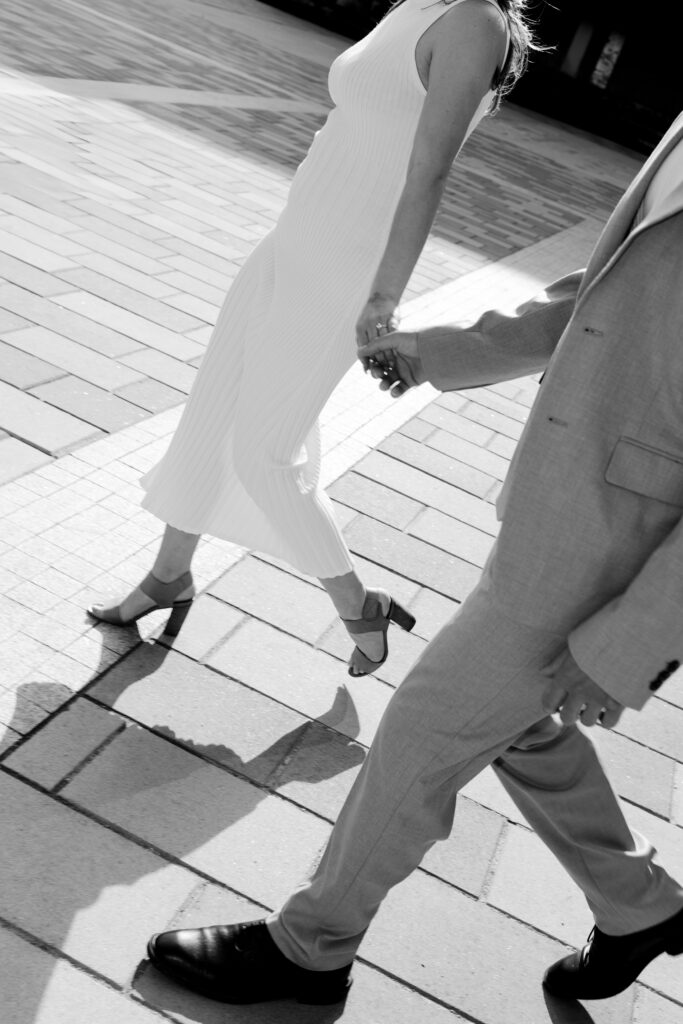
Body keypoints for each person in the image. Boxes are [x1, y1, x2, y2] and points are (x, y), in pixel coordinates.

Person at [145, 109, 683, 1005]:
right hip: (573, 510)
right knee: (512, 721)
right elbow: (609, 296)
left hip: (612, 552)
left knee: (429, 726)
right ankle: (637, 904)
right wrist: (442, 352)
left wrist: (630, 641)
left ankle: (310, 948)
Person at [88, 0, 539, 677]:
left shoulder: (475, 24)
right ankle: (168, 576)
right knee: (213, 412)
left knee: (264, 453)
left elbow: (429, 171)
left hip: (345, 267)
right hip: (294, 237)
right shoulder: (423, 4)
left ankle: (360, 605)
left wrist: (384, 296)